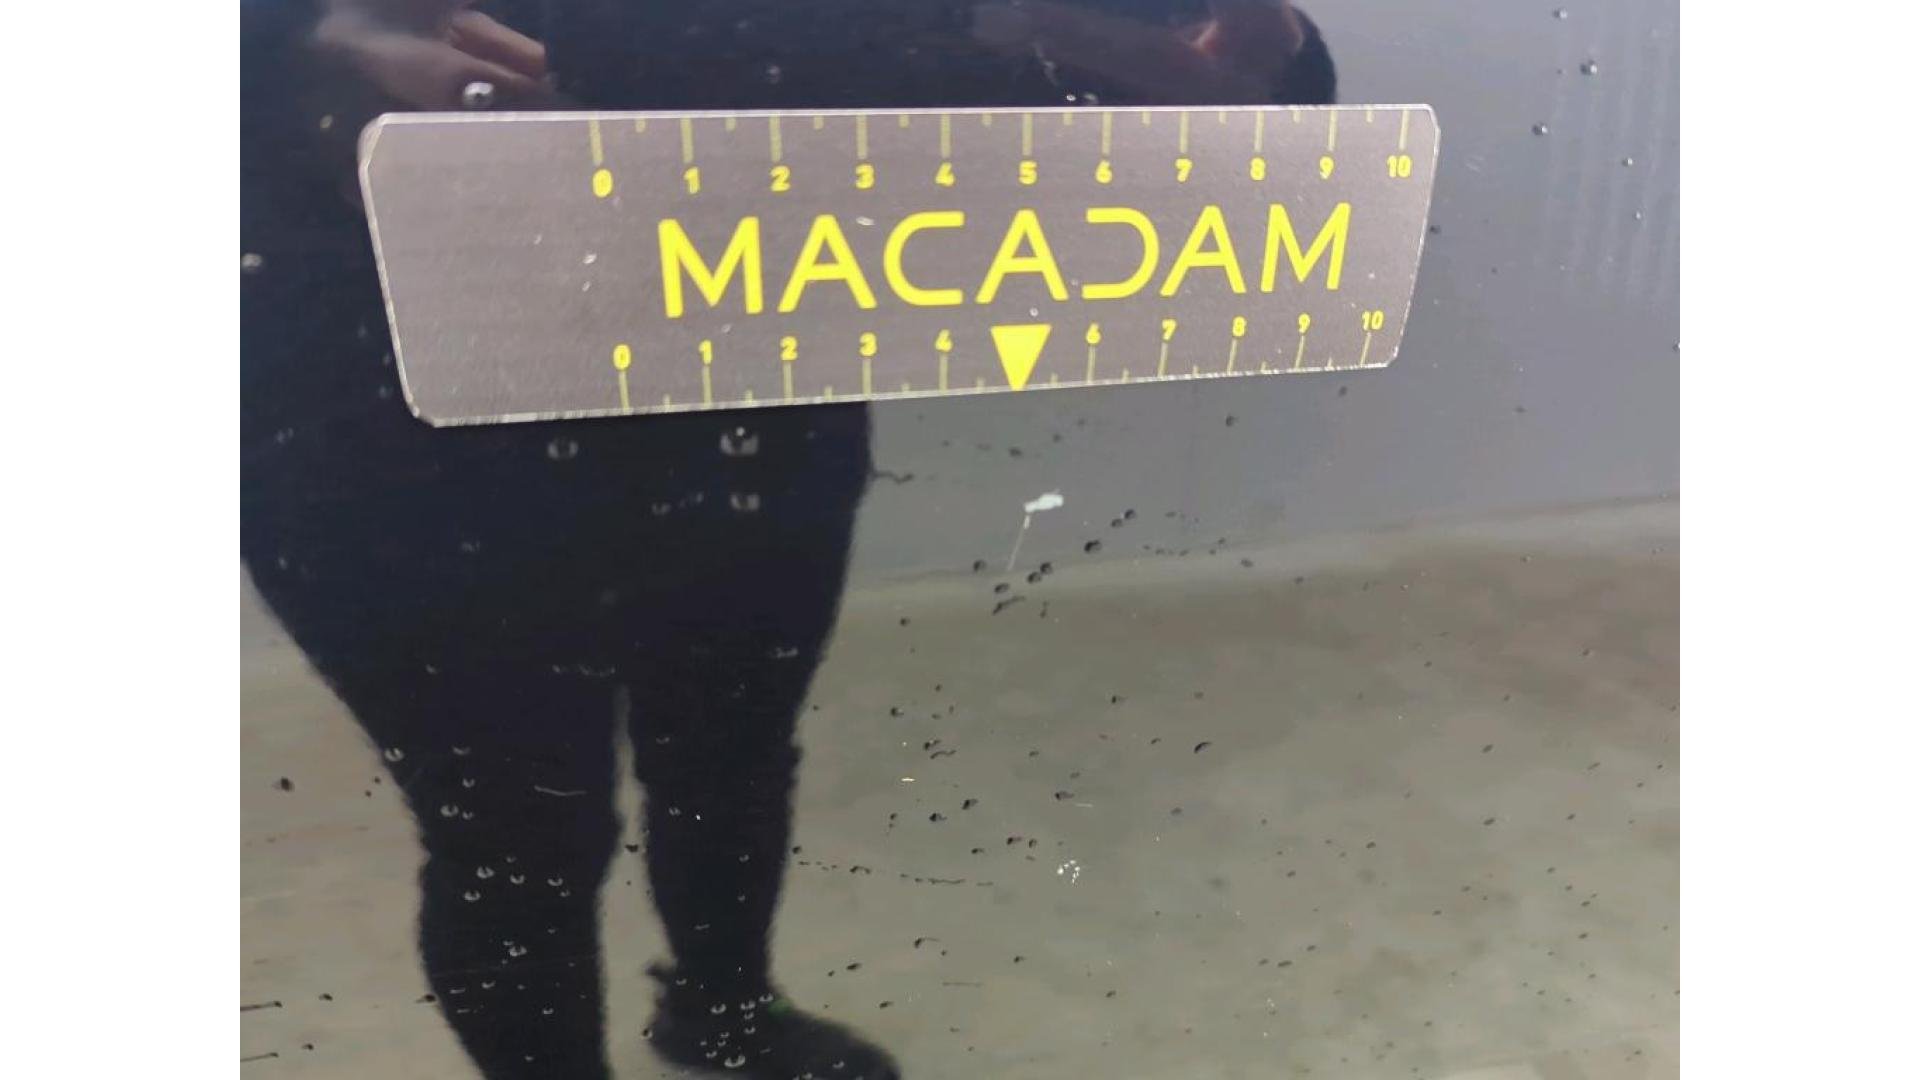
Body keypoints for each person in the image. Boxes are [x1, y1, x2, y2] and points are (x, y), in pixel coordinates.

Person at [239, 2, 1334, 1076]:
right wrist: (301, 41)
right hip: (377, 411)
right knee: (518, 833)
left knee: (731, 754)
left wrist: (1187, 47)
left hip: (742, 381)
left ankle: (723, 1012)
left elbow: (1251, 83)